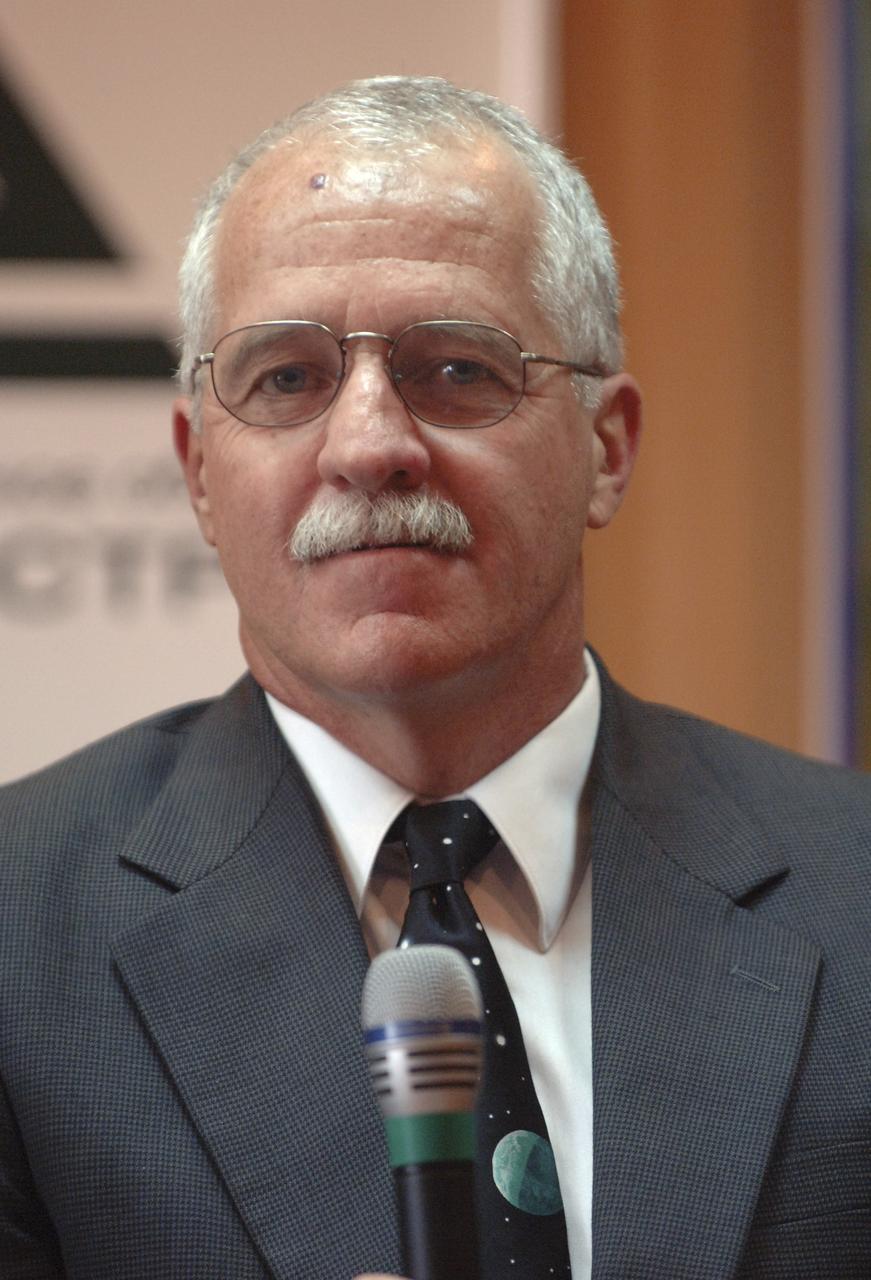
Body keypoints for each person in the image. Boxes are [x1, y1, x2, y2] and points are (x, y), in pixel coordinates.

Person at [0, 75, 868, 1280]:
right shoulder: (16, 931)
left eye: (457, 368)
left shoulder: (853, 889)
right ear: (200, 472)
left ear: (605, 450)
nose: (367, 445)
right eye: (288, 379)